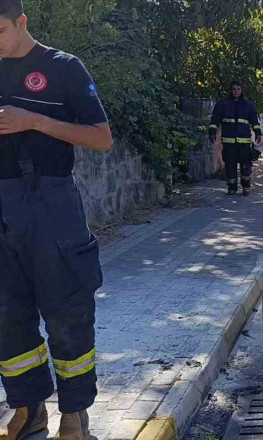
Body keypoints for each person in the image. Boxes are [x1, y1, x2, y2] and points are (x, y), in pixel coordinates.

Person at [0, 1, 113, 439]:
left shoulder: (63, 68)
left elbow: (101, 139)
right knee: (7, 316)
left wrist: (34, 120)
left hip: (52, 205)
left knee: (67, 312)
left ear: (22, 22)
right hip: (3, 207)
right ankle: (28, 408)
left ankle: (73, 413)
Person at [209, 82, 263, 196]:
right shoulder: (222, 104)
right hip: (229, 143)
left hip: (244, 142)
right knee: (230, 167)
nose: (236, 91)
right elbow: (215, 120)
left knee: (246, 167)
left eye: (238, 89)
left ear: (241, 90)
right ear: (230, 90)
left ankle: (246, 187)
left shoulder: (248, 105)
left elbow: (254, 120)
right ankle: (232, 188)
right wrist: (212, 132)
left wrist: (258, 133)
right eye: (234, 89)